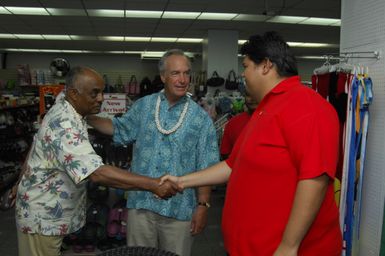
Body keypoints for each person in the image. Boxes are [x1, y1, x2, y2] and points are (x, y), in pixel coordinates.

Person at [161, 32, 343, 256]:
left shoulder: (307, 106)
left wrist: (289, 246)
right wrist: (182, 181)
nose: (242, 74)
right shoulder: (264, 109)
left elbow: (315, 178)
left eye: (246, 66)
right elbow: (232, 165)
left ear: (266, 65)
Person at [12, 67, 179, 256]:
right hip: (42, 218)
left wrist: (20, 180)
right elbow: (97, 173)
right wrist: (153, 184)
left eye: (102, 92)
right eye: (94, 93)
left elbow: (36, 142)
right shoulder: (64, 124)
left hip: (50, 210)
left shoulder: (64, 100)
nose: (101, 98)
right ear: (74, 94)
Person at [87, 49, 219, 256]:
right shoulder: (144, 106)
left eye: (186, 73)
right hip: (141, 204)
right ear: (163, 76)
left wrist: (203, 206)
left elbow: (207, 167)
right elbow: (118, 129)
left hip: (179, 209)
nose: (183, 79)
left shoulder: (201, 119)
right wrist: (84, 116)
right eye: (175, 73)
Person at [219, 91, 257, 159]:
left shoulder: (275, 121)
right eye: (248, 95)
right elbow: (225, 154)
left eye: (257, 94)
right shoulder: (233, 123)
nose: (252, 99)